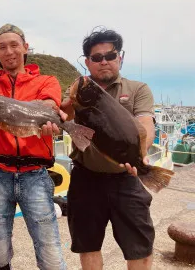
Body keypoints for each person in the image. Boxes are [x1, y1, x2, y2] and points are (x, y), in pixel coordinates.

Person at [61, 28, 156, 270]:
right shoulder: (79, 89)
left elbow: (145, 123)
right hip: (86, 177)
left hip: (126, 177)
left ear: (120, 58)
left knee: (140, 248)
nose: (104, 61)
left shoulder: (138, 89)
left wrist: (140, 155)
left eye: (110, 55)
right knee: (88, 245)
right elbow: (63, 115)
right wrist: (72, 100)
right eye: (96, 57)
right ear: (87, 62)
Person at [0, 24, 67, 270]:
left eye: (14, 45)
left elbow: (49, 103)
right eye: (2, 47)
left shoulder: (47, 81)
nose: (9, 51)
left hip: (36, 175)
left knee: (50, 251)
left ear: (25, 48)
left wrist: (49, 115)